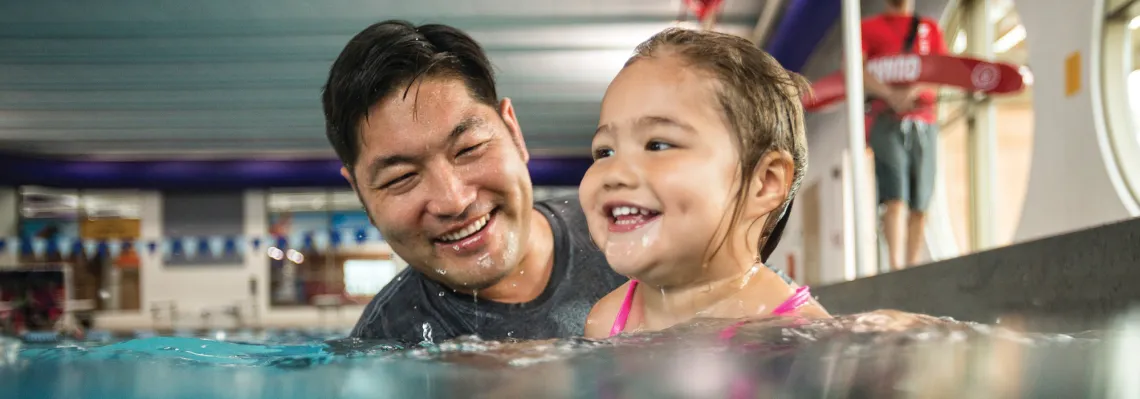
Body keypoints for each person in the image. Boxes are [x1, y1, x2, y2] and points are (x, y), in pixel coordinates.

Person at [321, 20, 626, 344]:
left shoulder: (624, 225)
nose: (454, 200)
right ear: (360, 194)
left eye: (469, 149)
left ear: (513, 131)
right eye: (402, 178)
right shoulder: (384, 348)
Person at [580, 28, 829, 339]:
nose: (614, 172)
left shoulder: (798, 334)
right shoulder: (606, 321)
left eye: (657, 145)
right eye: (605, 151)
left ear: (764, 182)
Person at [861, 0, 949, 270]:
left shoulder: (929, 29)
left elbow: (943, 69)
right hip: (885, 120)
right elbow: (857, 69)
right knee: (895, 196)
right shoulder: (868, 28)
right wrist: (889, 94)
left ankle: (912, 266)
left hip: (924, 119)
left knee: (920, 201)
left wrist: (913, 92)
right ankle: (896, 267)